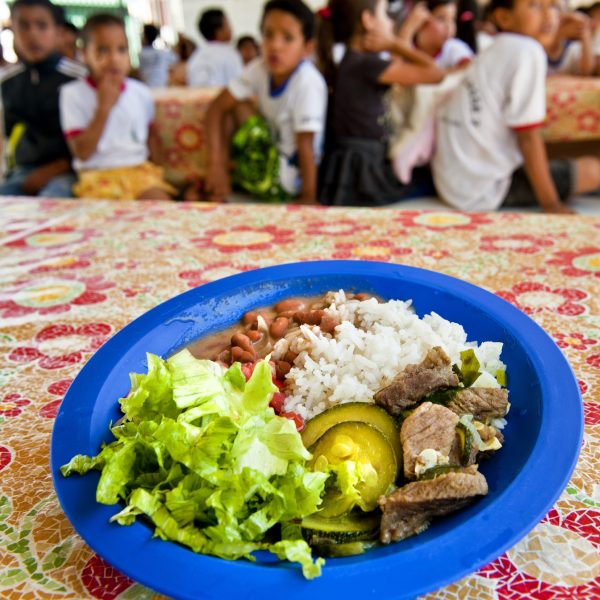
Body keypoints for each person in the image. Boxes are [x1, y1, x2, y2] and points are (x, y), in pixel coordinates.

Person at [431, 0, 600, 213]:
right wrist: (551, 204)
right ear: (504, 18)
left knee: (560, 157)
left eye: (554, 7)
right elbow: (528, 137)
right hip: (484, 190)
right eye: (535, 6)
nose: (549, 15)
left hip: (453, 181)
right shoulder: (527, 51)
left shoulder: (499, 45)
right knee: (594, 169)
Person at [316, 0, 444, 206]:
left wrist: (401, 37)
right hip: (365, 170)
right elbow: (436, 74)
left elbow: (395, 65)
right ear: (368, 21)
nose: (391, 23)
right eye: (385, 14)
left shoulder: (353, 61)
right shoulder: (367, 65)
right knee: (430, 182)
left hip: (347, 164)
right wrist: (394, 43)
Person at [204, 0, 327, 204]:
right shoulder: (259, 68)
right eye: (268, 35)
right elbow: (216, 108)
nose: (275, 45)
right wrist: (215, 163)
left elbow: (307, 145)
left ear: (307, 48)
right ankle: (220, 180)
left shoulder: (308, 82)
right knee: (232, 108)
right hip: (268, 158)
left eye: (287, 38)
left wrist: (308, 198)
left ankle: (226, 186)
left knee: (241, 108)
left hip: (287, 181)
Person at [59, 14, 175, 201]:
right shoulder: (72, 94)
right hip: (96, 177)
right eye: (103, 50)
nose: (114, 59)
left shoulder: (141, 92)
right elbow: (82, 152)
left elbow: (151, 138)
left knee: (162, 209)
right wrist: (104, 108)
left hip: (139, 172)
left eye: (122, 50)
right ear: (84, 53)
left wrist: (160, 173)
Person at [0, 0, 85, 197]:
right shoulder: (7, 82)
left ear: (58, 33)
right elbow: (7, 137)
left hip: (69, 173)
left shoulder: (78, 79)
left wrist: (53, 170)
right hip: (22, 173)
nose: (32, 34)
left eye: (41, 26)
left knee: (52, 201)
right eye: (23, 26)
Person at [400, 0, 474, 70]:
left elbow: (470, 68)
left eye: (452, 19)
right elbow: (398, 64)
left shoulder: (454, 47)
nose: (449, 26)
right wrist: (409, 28)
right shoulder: (408, 45)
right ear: (420, 19)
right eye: (441, 19)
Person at [187, 8, 243, 87]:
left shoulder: (197, 55)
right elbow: (239, 88)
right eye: (227, 24)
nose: (231, 29)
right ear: (218, 31)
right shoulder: (229, 54)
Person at [543, 0, 595, 76]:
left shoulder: (572, 49)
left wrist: (585, 35)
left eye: (559, 9)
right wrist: (559, 35)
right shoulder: (538, 42)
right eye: (553, 8)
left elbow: (586, 72)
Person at [138, 23, 176, 88]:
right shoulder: (162, 53)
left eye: (142, 35)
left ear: (146, 37)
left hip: (149, 88)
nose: (141, 37)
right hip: (162, 86)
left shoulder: (142, 54)